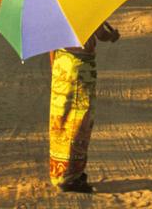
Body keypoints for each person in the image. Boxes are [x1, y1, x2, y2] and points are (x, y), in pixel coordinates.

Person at [48, 21, 120, 193]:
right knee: (79, 121)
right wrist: (113, 36)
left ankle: (59, 173)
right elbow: (101, 34)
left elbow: (51, 44)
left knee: (61, 118)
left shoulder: (55, 9)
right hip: (81, 67)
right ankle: (71, 177)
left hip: (61, 64)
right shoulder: (86, 2)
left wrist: (56, 67)